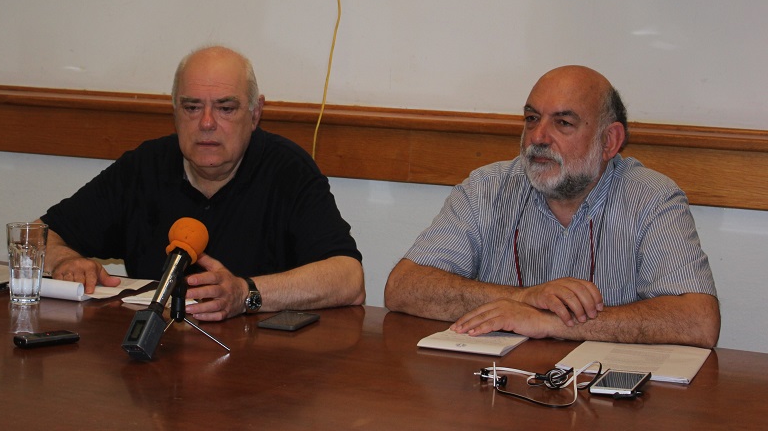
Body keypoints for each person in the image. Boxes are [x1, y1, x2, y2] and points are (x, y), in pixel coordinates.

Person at [384, 65, 720, 348]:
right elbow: (403, 287)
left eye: (563, 123)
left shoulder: (651, 198)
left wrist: (551, 322)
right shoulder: (486, 188)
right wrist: (522, 298)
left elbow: (698, 321)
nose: (538, 137)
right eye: (532, 118)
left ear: (609, 141)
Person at [39, 45, 365, 321]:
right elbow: (39, 236)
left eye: (225, 108)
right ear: (175, 111)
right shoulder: (144, 166)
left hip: (259, 361)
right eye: (192, 107)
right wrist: (64, 260)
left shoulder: (287, 169)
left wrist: (246, 293)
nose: (207, 123)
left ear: (255, 114)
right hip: (158, 357)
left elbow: (349, 279)